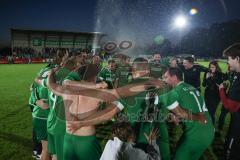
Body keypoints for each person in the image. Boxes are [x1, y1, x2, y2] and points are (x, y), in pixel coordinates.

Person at [158, 67, 214, 160]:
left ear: (174, 77)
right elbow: (192, 106)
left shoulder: (176, 91)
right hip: (209, 130)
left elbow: (182, 112)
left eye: (166, 77)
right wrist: (177, 118)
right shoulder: (191, 87)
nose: (164, 80)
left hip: (196, 134)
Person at [219, 43, 240, 160]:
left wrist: (221, 90)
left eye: (229, 59)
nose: (227, 62)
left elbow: (230, 107)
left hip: (238, 128)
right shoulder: (236, 74)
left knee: (231, 154)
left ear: (237, 58)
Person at [202, 60, 227, 124]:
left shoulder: (220, 74)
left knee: (211, 111)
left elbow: (217, 84)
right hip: (207, 94)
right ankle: (207, 123)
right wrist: (206, 77)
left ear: (216, 67)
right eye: (210, 67)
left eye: (213, 67)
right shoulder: (207, 73)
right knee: (207, 110)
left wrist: (209, 78)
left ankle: (212, 125)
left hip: (216, 96)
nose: (211, 68)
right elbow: (204, 84)